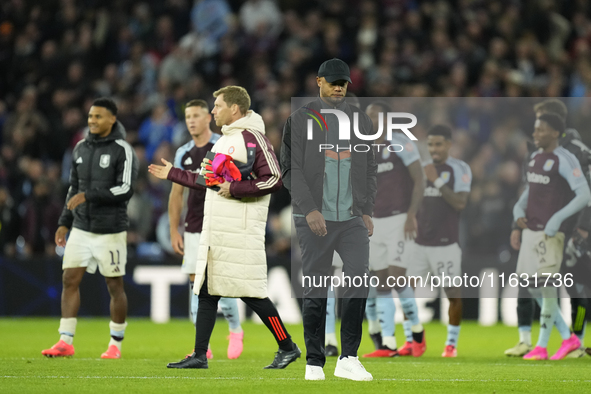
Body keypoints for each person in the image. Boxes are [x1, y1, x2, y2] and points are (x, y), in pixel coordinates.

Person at [149, 86, 300, 370]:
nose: (213, 111)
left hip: (239, 232)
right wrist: (173, 173)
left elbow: (274, 179)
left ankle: (288, 346)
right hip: (218, 231)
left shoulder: (253, 138)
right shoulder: (225, 141)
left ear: (235, 109)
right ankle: (199, 354)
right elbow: (207, 180)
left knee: (253, 294)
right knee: (206, 291)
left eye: (217, 106)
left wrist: (236, 187)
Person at [281, 58, 377, 381]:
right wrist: (309, 209)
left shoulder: (360, 122)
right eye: (333, 82)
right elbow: (290, 170)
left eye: (344, 83)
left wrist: (366, 210)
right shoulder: (299, 120)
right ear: (318, 82)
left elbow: (370, 168)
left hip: (350, 218)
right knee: (317, 289)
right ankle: (314, 362)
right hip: (314, 219)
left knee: (358, 280)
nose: (339, 87)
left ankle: (348, 356)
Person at [42, 97, 139, 359]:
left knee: (114, 285)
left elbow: (126, 188)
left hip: (110, 231)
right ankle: (65, 341)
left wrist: (91, 195)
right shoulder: (80, 148)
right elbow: (73, 189)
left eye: (98, 117)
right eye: (90, 116)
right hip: (82, 227)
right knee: (69, 279)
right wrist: (64, 222)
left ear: (112, 120)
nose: (92, 121)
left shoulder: (123, 150)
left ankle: (115, 344)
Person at [506, 99, 591, 358]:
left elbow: (585, 192)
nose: (536, 128)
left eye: (542, 121)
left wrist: (584, 228)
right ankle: (538, 339)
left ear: (555, 123)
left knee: (576, 284)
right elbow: (530, 191)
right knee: (534, 282)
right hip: (539, 228)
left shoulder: (577, 151)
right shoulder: (536, 151)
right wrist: (516, 223)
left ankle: (577, 337)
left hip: (571, 228)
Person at [169, 99, 244, 360]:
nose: (191, 120)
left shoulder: (222, 146)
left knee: (219, 283)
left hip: (219, 222)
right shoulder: (183, 153)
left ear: (207, 118)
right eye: (187, 116)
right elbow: (176, 193)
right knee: (195, 283)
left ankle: (235, 330)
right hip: (192, 225)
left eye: (196, 115)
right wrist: (173, 230)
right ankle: (203, 346)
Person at [361, 101, 426, 358]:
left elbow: (420, 179)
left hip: (400, 219)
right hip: (375, 222)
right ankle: (388, 345)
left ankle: (417, 334)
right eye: (368, 116)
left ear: (388, 119)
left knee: (398, 277)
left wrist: (412, 214)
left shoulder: (401, 142)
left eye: (375, 115)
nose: (371, 120)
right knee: (381, 283)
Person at [408, 125, 471, 358]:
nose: (433, 148)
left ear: (448, 145)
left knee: (453, 294)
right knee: (406, 291)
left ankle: (451, 344)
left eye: (438, 144)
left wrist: (437, 182)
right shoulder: (420, 170)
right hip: (418, 243)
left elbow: (460, 203)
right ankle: (411, 341)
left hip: (446, 244)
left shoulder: (460, 169)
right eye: (430, 144)